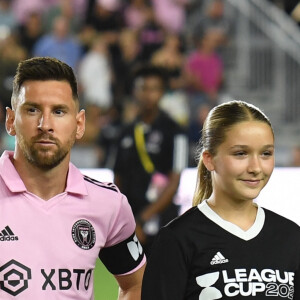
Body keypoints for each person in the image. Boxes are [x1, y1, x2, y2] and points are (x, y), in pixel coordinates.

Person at [0, 57, 146, 299]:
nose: (45, 125)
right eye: (32, 109)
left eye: (58, 111)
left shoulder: (107, 204)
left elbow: (136, 284)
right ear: (10, 120)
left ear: (79, 124)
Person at [142, 100, 300, 299]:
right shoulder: (177, 239)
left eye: (266, 153)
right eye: (241, 153)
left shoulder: (292, 237)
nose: (256, 167)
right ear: (209, 159)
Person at [113, 65, 188, 255]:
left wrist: (143, 220)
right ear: (135, 92)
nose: (148, 94)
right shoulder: (125, 131)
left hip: (163, 222)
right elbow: (117, 179)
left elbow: (174, 182)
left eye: (154, 89)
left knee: (163, 281)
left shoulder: (175, 132)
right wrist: (128, 221)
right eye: (143, 88)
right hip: (131, 223)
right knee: (130, 284)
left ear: (162, 93)